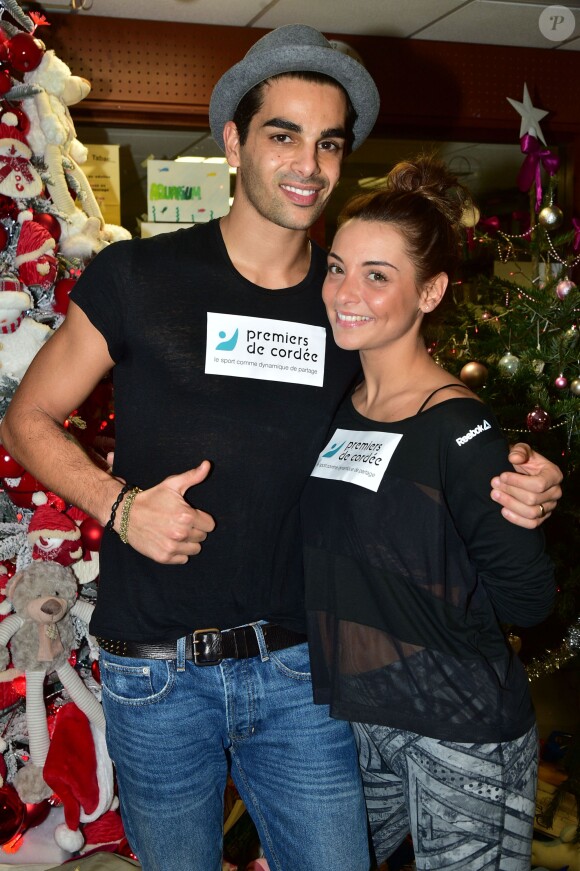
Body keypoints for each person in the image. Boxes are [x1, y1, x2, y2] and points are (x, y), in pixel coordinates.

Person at [0, 25, 561, 871]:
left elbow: (420, 409)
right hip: (156, 675)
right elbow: (27, 418)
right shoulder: (137, 279)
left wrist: (518, 473)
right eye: (283, 134)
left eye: (328, 141)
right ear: (233, 142)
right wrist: (119, 507)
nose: (308, 163)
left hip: (301, 671)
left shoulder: (347, 306)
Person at [301, 155, 556, 871]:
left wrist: (526, 515)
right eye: (339, 268)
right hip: (357, 723)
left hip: (461, 730)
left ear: (431, 291)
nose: (346, 293)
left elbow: (529, 599)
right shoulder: (338, 407)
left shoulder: (459, 427)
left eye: (378, 276)